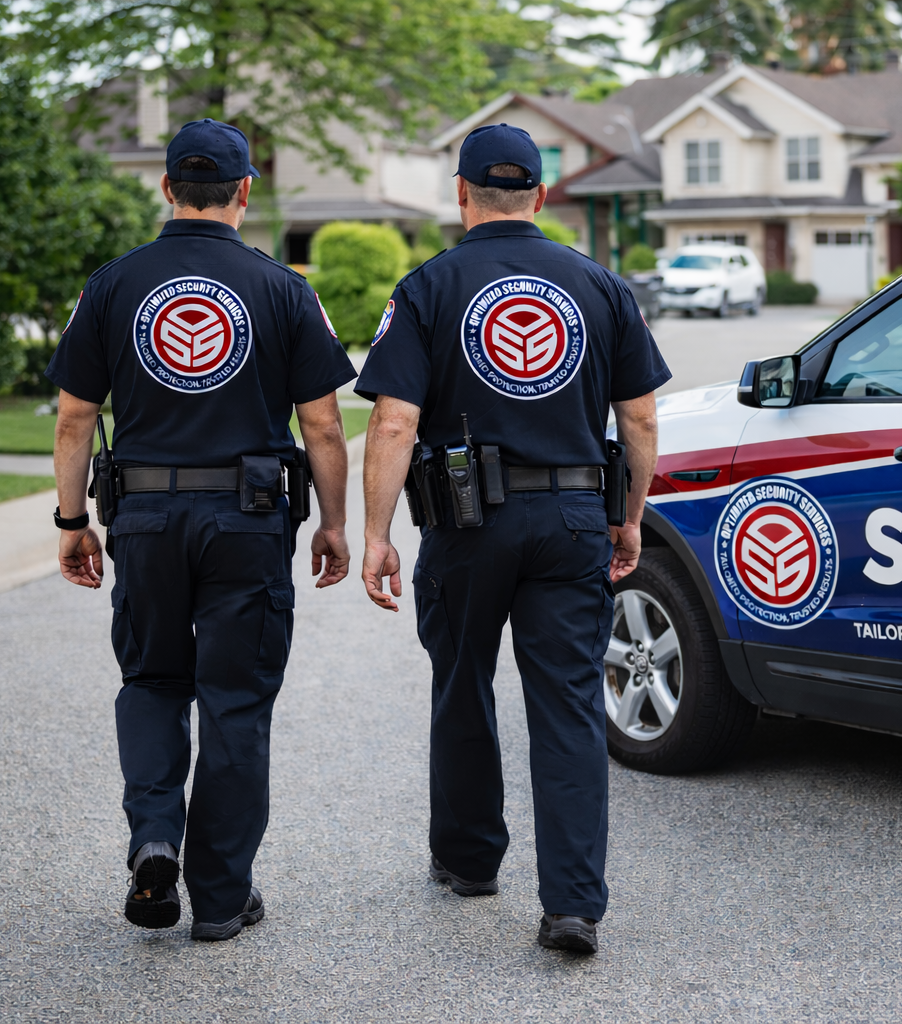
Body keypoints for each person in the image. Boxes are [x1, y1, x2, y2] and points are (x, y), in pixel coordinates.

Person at [356, 123, 667, 955]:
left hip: (466, 525)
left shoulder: (428, 286)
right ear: (541, 192)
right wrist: (630, 515)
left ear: (461, 193)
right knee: (567, 704)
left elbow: (392, 420)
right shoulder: (599, 285)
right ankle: (572, 906)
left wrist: (376, 533)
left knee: (461, 683)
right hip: (571, 519)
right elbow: (638, 415)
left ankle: (470, 861)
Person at [47, 119, 357, 941]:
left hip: (143, 518)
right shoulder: (285, 289)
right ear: (246, 191)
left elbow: (75, 416)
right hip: (248, 523)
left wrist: (72, 519)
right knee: (235, 704)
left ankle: (155, 837)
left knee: (151, 682)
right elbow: (323, 427)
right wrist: (334, 523)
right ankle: (220, 902)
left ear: (166, 189)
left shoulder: (112, 285)